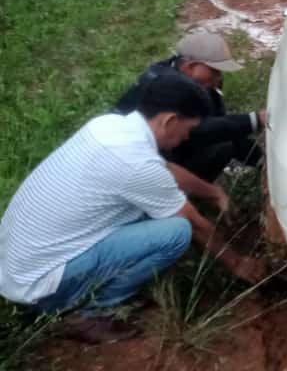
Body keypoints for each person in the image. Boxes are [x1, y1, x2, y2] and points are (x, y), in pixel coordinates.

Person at [0, 73, 266, 343]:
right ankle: (87, 310)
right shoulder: (134, 164)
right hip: (41, 283)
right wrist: (237, 263)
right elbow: (195, 222)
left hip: (18, 262)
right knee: (177, 232)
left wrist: (213, 192)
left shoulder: (110, 126)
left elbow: (163, 169)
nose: (186, 138)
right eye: (188, 129)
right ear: (169, 120)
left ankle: (84, 291)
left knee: (150, 211)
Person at [116, 30, 267, 182]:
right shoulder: (166, 85)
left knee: (230, 134)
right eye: (215, 71)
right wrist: (253, 120)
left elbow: (216, 118)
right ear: (190, 66)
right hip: (143, 166)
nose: (219, 77)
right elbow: (198, 131)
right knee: (227, 144)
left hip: (166, 148)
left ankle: (264, 167)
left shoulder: (183, 74)